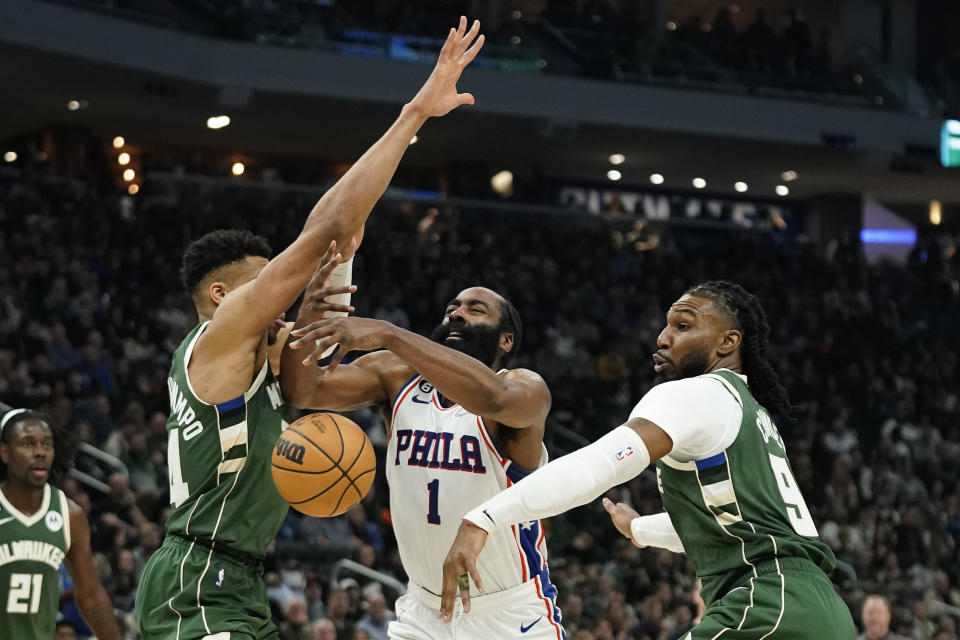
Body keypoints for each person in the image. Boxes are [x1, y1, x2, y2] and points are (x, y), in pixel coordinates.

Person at [134, 16, 487, 640]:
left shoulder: (259, 361)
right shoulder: (218, 339)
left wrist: (341, 256)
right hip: (196, 579)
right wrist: (413, 116)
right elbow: (322, 230)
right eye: (263, 279)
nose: (279, 287)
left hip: (235, 581)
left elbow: (322, 312)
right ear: (222, 294)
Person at [440, 281, 857, 638]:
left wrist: (486, 517)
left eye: (683, 325)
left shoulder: (697, 392)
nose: (662, 337)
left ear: (728, 342)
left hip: (768, 603)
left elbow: (597, 466)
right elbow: (723, 524)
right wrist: (638, 527)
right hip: (822, 610)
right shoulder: (751, 412)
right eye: (667, 325)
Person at [281, 281, 561, 638]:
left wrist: (389, 334)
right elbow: (304, 389)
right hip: (424, 611)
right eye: (452, 309)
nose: (457, 314)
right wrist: (312, 309)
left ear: (506, 340)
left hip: (509, 613)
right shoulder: (397, 378)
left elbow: (495, 399)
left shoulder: (525, 388)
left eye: (476, 310)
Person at [0, 408, 122, 640]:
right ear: (4, 452)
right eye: (27, 444)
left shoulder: (68, 514)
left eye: (46, 444)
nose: (40, 453)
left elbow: (91, 596)